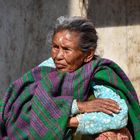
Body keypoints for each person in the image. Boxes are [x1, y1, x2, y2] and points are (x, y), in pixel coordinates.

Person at [0, 16, 140, 140]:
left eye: (67, 50)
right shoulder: (45, 70)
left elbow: (118, 116)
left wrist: (63, 121)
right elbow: (19, 113)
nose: (58, 56)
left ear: (88, 54)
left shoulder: (99, 72)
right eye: (55, 47)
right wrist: (79, 106)